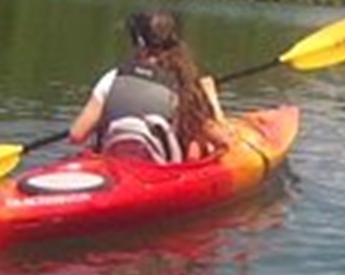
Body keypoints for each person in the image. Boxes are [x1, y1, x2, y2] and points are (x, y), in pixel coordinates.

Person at [68, 11, 227, 164]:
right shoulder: (183, 84)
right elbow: (223, 140)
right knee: (196, 141)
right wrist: (212, 98)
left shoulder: (112, 78)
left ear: (139, 43)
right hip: (160, 172)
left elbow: (76, 135)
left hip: (114, 166)